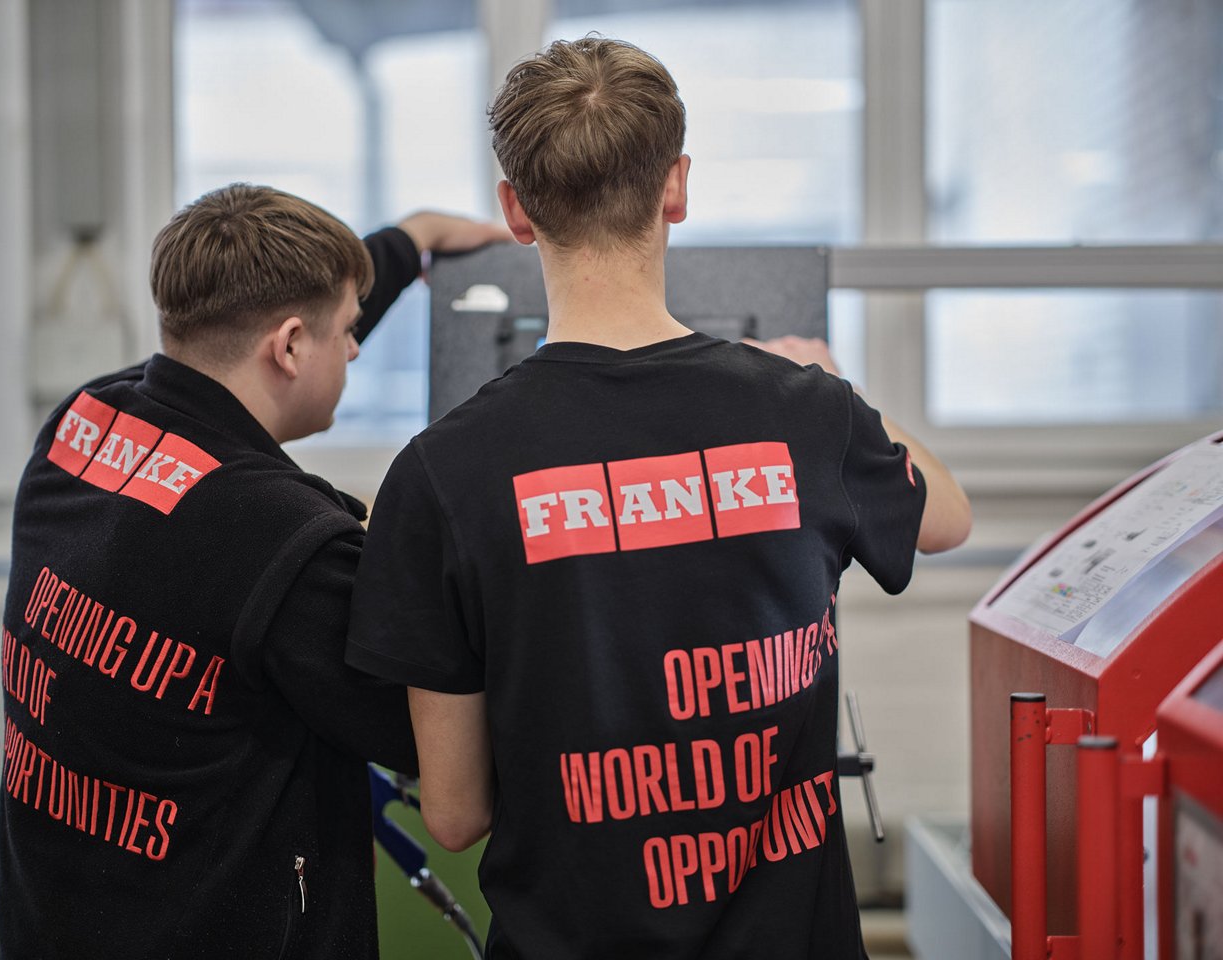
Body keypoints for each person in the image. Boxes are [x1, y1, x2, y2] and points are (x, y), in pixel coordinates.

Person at [346, 37, 973, 960]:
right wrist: (834, 384)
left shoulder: (442, 474)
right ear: (676, 187)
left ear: (516, 211)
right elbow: (948, 518)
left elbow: (453, 814)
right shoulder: (807, 415)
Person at [0, 183, 509, 960]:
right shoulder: (283, 545)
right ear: (292, 346)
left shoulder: (86, 422)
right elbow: (448, 751)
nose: (358, 348)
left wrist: (415, 238)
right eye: (349, 330)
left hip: (56, 919)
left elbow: (254, 308)